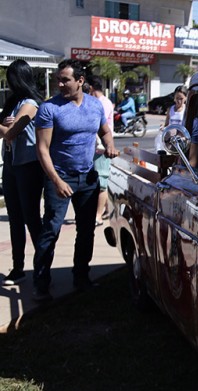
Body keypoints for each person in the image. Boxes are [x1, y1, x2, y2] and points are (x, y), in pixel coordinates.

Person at [31, 59, 119, 302]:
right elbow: (42, 150)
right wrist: (57, 181)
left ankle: (81, 277)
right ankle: (41, 283)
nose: (59, 84)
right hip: (59, 177)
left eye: (65, 80)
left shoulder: (94, 105)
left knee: (86, 231)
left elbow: (104, 131)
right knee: (51, 230)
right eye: (58, 79)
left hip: (87, 177)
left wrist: (110, 145)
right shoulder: (50, 109)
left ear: (80, 81)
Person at [0, 60, 45, 286]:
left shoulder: (30, 103)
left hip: (28, 166)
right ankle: (18, 268)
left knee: (31, 218)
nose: (8, 84)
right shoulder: (12, 103)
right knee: (15, 219)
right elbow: (5, 132)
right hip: (10, 164)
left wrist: (6, 127)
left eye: (11, 79)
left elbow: (11, 133)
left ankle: (42, 268)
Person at [88, 76, 114, 226]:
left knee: (102, 183)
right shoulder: (103, 102)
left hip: (101, 148)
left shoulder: (102, 103)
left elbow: (99, 126)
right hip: (97, 147)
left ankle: (97, 216)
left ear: (91, 88)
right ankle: (106, 210)